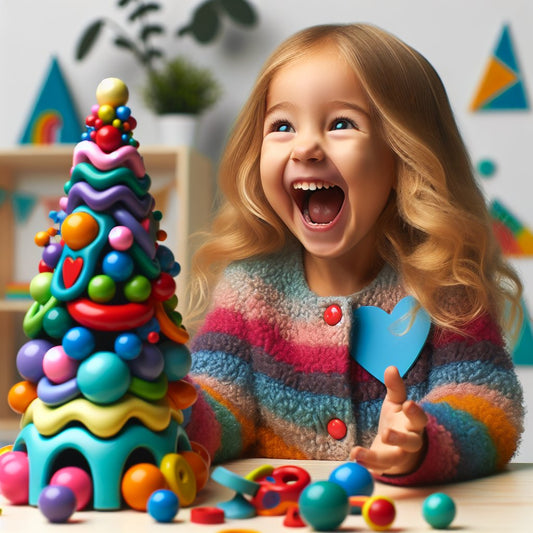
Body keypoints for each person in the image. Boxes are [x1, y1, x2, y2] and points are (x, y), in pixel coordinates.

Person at [184, 23, 524, 484]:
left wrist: (423, 440)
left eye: (342, 123)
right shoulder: (249, 288)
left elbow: (488, 401)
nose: (305, 146)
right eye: (282, 125)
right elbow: (219, 402)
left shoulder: (442, 284)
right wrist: (164, 407)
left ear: (403, 154)